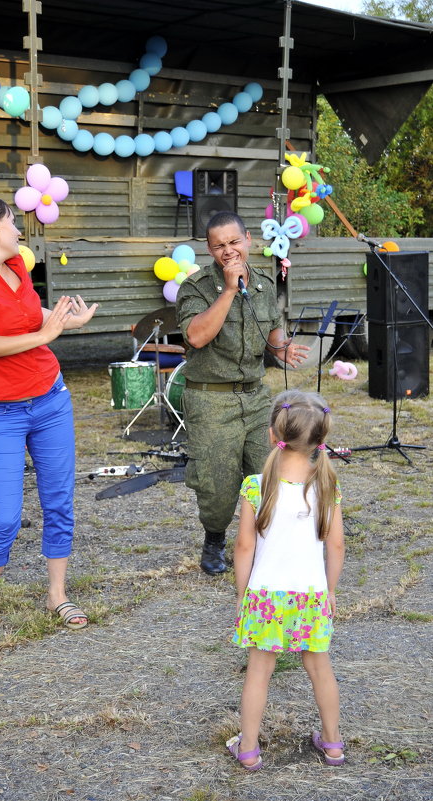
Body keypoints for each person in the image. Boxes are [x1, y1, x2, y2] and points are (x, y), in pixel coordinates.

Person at [0, 196, 98, 655]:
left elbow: (33, 319)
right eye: (13, 221)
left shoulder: (19, 269)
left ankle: (57, 595)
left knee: (59, 502)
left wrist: (66, 319)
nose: (20, 230)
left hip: (50, 398)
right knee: (5, 516)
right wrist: (46, 334)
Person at [175, 211, 308, 575]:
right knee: (217, 484)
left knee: (271, 472)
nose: (228, 251)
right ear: (209, 249)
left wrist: (283, 349)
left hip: (256, 397)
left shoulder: (265, 284)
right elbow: (198, 336)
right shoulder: (196, 288)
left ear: (249, 239)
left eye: (234, 242)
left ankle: (272, 540)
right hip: (211, 399)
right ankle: (215, 538)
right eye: (219, 246)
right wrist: (231, 289)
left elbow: (273, 333)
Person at [227, 389, 345, 771]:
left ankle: (248, 749)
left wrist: (243, 593)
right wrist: (330, 592)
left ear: (271, 431)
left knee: (259, 671)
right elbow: (337, 546)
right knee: (320, 668)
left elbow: (244, 547)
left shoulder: (254, 485)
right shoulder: (327, 485)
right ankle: (332, 744)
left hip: (265, 596)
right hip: (311, 596)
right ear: (320, 439)